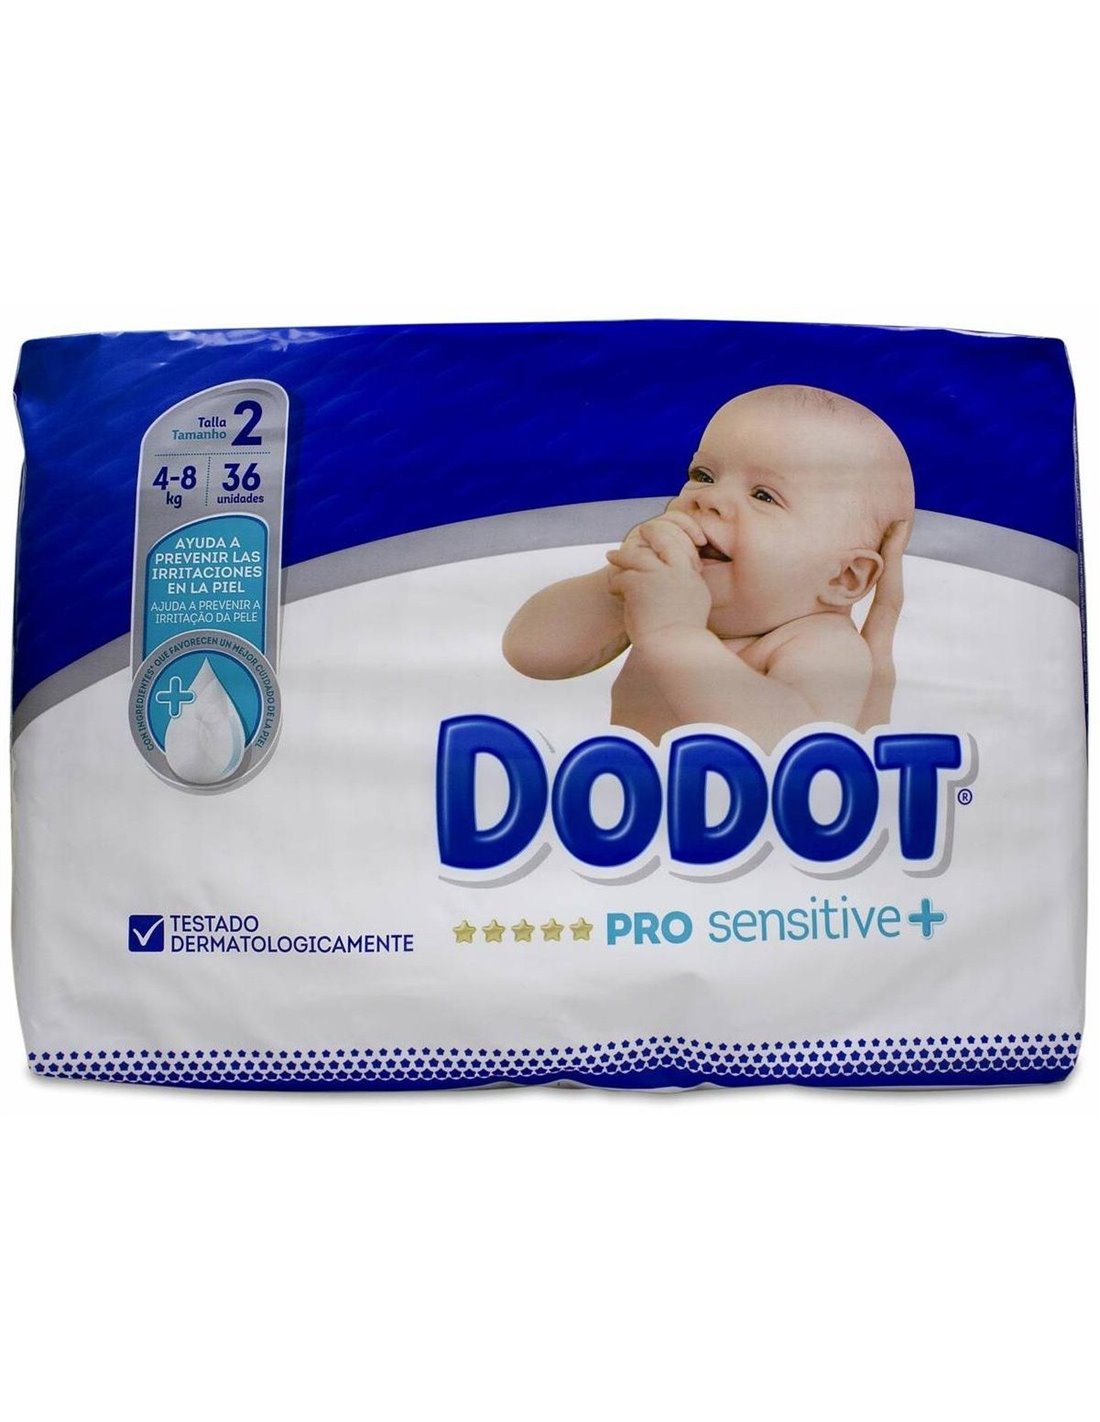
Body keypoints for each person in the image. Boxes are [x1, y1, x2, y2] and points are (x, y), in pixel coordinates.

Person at [503, 385, 914, 751]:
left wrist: (674, 633)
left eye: (763, 496)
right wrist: (615, 587)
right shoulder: (661, 601)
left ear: (845, 577)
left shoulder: (825, 645)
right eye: (704, 475)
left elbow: (792, 748)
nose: (708, 498)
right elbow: (530, 654)